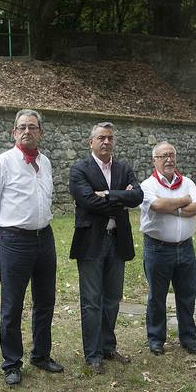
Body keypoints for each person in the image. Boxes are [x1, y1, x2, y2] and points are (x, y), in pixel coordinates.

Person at [0, 109, 63, 386]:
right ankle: (11, 363)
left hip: (45, 238)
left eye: (33, 127)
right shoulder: (1, 163)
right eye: (22, 127)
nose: (27, 131)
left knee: (45, 301)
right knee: (12, 305)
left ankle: (41, 355)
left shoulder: (47, 163)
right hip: (15, 240)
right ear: (14, 132)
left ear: (41, 133)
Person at [69, 121, 143, 374]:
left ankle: (108, 346)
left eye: (110, 138)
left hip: (117, 240)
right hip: (91, 242)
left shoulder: (123, 168)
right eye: (101, 137)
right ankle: (93, 354)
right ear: (91, 142)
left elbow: (139, 196)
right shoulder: (80, 168)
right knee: (92, 301)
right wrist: (122, 197)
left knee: (112, 298)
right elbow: (87, 200)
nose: (107, 142)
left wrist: (108, 194)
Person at [139, 141, 196, 356]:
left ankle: (188, 338)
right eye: (163, 156)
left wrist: (173, 208)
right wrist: (184, 201)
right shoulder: (147, 185)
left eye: (172, 155)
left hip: (185, 248)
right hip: (158, 249)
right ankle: (156, 339)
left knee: (187, 295)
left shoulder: (187, 182)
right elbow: (157, 206)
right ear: (154, 160)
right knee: (157, 297)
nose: (169, 159)